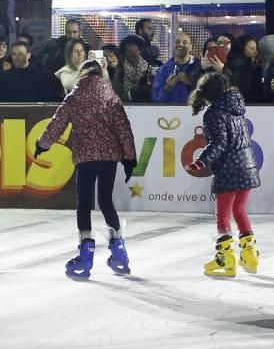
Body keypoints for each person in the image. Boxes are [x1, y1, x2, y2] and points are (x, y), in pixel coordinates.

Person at [35, 61, 137, 279]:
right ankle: (119, 250)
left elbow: (57, 124)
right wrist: (129, 158)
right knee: (105, 201)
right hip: (109, 158)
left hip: (86, 159)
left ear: (81, 75)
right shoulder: (111, 97)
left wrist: (42, 144)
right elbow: (124, 128)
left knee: (84, 203)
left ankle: (85, 254)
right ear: (101, 75)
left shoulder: (74, 97)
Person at [183, 72, 261, 278]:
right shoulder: (237, 107)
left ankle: (226, 260)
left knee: (223, 214)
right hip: (247, 166)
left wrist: (200, 161)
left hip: (228, 169)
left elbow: (219, 143)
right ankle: (250, 256)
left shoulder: (214, 113)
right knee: (240, 209)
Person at [151, 32, 200, 103]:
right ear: (172, 45)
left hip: (195, 112)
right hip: (170, 113)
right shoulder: (162, 70)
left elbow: (208, 95)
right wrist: (167, 88)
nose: (180, 44)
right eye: (177, 42)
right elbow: (156, 100)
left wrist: (192, 83)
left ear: (190, 47)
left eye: (184, 42)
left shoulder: (199, 67)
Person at [115, 35, 155, 103]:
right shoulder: (120, 74)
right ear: (124, 54)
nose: (134, 54)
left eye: (136, 50)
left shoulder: (151, 70)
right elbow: (117, 97)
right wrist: (132, 93)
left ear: (140, 51)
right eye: (129, 51)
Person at [226, 35, 263, 104]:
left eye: (256, 48)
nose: (256, 52)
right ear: (242, 49)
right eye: (252, 49)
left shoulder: (255, 65)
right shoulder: (243, 66)